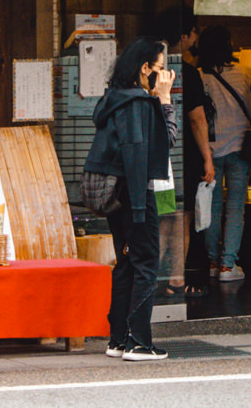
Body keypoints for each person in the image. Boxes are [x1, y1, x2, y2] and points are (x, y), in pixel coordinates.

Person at [85, 37, 178, 361]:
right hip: (136, 194)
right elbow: (160, 144)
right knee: (146, 263)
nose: (165, 75)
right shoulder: (139, 104)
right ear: (145, 69)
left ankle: (118, 340)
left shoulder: (116, 99)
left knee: (126, 263)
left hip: (118, 194)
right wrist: (165, 100)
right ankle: (139, 342)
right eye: (161, 68)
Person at [145, 5, 212, 297]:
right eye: (194, 31)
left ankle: (153, 279)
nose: (196, 37)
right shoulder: (186, 74)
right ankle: (174, 279)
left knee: (161, 218)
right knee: (180, 218)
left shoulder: (147, 71)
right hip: (181, 157)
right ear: (184, 36)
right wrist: (208, 159)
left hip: (156, 156)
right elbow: (197, 120)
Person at [198, 26, 251, 282]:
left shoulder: (199, 76)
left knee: (212, 205)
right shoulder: (244, 73)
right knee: (235, 207)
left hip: (210, 150)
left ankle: (212, 260)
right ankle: (228, 265)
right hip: (240, 147)